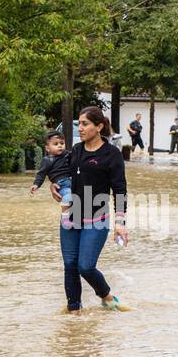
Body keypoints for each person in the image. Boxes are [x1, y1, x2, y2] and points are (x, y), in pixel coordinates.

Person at [53, 106, 131, 313]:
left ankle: (107, 297)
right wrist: (54, 184)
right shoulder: (76, 151)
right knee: (70, 265)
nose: (81, 128)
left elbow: (120, 190)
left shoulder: (112, 154)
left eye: (85, 124)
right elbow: (63, 175)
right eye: (79, 124)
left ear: (99, 126)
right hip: (71, 216)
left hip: (97, 217)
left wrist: (120, 223)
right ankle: (74, 313)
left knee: (85, 266)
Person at [30, 130, 74, 227]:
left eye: (62, 143)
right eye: (56, 144)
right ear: (47, 148)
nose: (60, 146)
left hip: (72, 181)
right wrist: (36, 184)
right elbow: (41, 174)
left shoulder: (68, 155)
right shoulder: (47, 160)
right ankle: (65, 217)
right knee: (68, 196)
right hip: (61, 185)